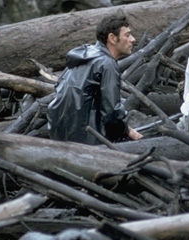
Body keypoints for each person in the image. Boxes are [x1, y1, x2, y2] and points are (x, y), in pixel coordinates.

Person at [46, 12, 144, 145]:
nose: (133, 39)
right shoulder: (106, 64)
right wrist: (127, 131)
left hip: (58, 133)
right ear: (112, 38)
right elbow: (112, 112)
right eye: (127, 35)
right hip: (87, 140)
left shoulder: (84, 55)